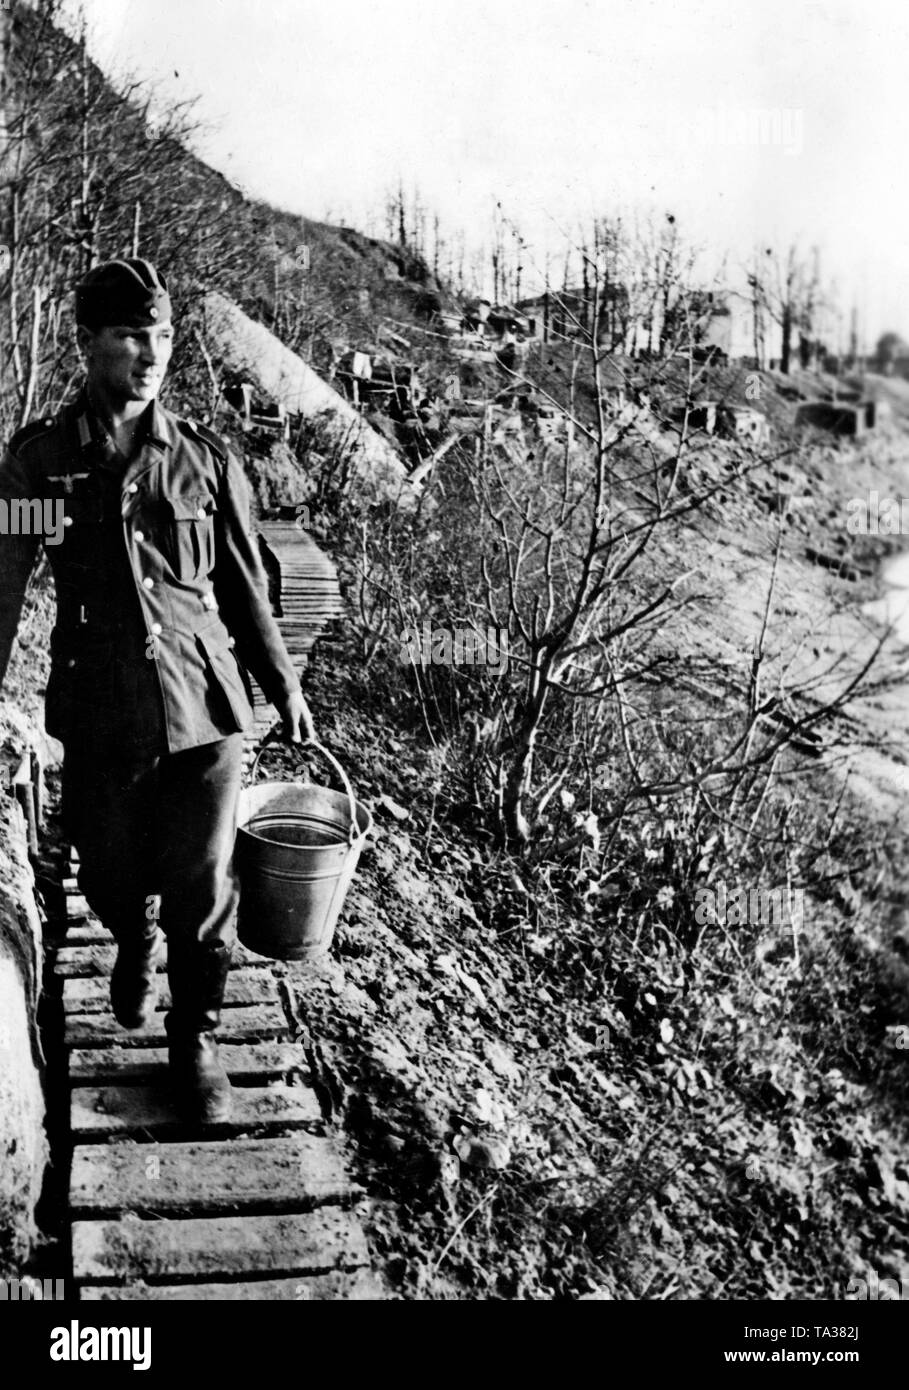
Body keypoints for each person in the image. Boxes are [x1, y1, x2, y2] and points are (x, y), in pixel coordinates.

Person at [0, 257, 314, 1123]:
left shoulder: (205, 461)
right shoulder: (41, 465)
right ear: (87, 342)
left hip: (205, 703)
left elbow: (249, 583)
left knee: (204, 881)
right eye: (132, 335)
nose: (152, 354)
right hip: (99, 708)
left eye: (163, 335)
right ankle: (128, 937)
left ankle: (196, 1042)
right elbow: (6, 577)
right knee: (107, 873)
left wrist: (279, 681)